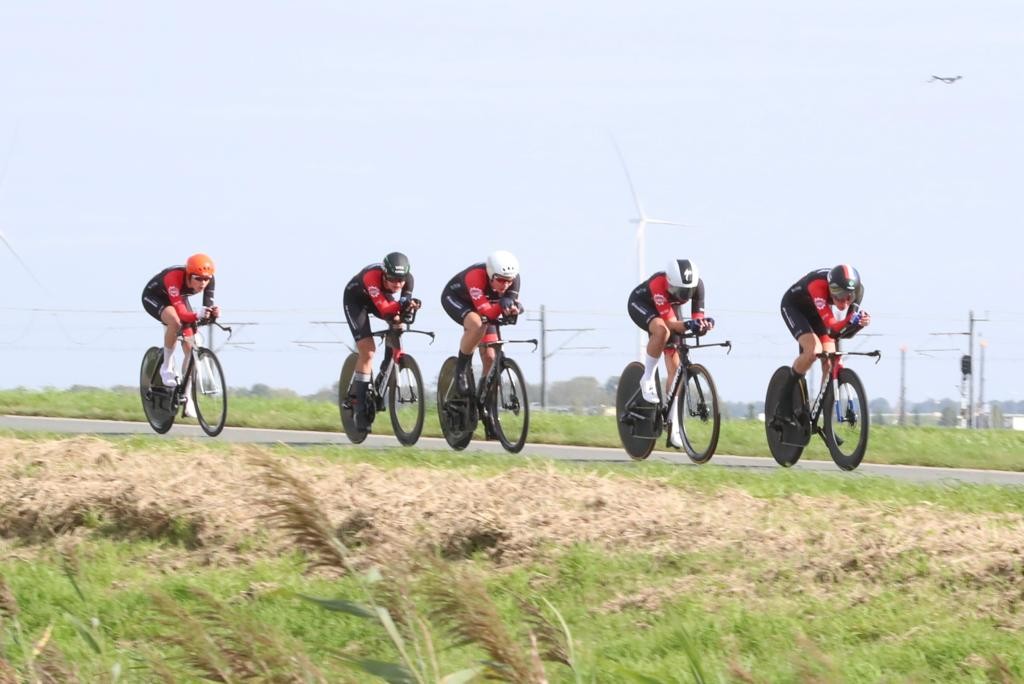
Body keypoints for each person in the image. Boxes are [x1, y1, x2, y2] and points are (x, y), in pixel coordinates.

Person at [627, 258, 714, 448]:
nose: (684, 296)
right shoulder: (659, 284)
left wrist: (703, 325)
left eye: (687, 293)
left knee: (676, 370)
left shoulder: (698, 286)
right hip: (642, 304)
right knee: (662, 331)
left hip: (668, 307)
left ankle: (673, 425)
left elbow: (696, 319)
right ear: (669, 282)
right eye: (680, 291)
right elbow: (671, 324)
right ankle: (647, 377)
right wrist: (688, 324)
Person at [775, 264, 871, 420]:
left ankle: (826, 421)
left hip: (818, 312)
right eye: (838, 294)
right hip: (795, 308)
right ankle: (784, 401)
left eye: (849, 296)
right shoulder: (818, 286)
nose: (844, 301)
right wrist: (851, 321)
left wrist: (858, 324)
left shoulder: (858, 291)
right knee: (813, 351)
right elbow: (833, 328)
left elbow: (844, 333)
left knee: (830, 361)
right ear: (831, 288)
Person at [342, 252, 420, 429]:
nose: (397, 284)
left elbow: (401, 303)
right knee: (368, 351)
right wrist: (402, 306)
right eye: (392, 279)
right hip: (356, 301)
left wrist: (408, 304)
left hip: (379, 300)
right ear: (384, 274)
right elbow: (385, 309)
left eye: (401, 280)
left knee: (398, 324)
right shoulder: (372, 276)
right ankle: (360, 409)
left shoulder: (407, 280)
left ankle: (385, 370)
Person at [141, 253, 221, 417]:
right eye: (198, 279)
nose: (203, 283)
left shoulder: (209, 281)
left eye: (206, 279)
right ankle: (166, 366)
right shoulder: (174, 277)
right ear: (189, 275)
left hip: (178, 299)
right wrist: (196, 315)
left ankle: (187, 397)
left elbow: (204, 313)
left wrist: (212, 314)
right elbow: (183, 315)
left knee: (191, 347)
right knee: (175, 322)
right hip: (156, 297)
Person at [440, 250, 522, 395]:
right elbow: (487, 313)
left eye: (509, 280)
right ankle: (461, 370)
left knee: (490, 357)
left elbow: (511, 304)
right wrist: (502, 304)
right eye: (501, 280)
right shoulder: (476, 276)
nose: (506, 285)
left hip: (486, 304)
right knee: (476, 325)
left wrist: (515, 309)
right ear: (491, 275)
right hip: (458, 300)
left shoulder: (513, 280)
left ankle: (483, 399)